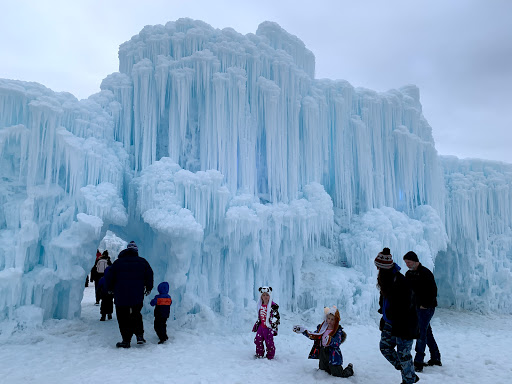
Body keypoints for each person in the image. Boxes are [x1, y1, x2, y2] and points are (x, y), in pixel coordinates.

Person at [375, 248, 420, 384]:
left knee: (403, 354)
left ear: (384, 268)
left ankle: (408, 379)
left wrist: (397, 318)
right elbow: (385, 301)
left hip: (404, 324)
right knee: (385, 348)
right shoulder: (386, 280)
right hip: (390, 322)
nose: (377, 270)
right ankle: (409, 373)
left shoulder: (400, 281)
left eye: (379, 267)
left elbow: (408, 306)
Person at [105, 241, 154, 348]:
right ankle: (139, 336)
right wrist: (149, 287)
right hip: (137, 294)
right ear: (136, 251)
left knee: (123, 317)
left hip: (121, 295)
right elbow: (149, 274)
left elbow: (109, 276)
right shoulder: (142, 262)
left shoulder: (118, 263)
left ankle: (126, 340)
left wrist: (109, 288)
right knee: (136, 314)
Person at [403, 251, 442, 371]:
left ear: (415, 261)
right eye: (406, 263)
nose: (407, 265)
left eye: (409, 262)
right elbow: (406, 291)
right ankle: (435, 357)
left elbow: (433, 291)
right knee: (426, 332)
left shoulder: (425, 273)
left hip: (426, 308)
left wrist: (425, 305)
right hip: (416, 308)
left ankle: (418, 362)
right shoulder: (408, 274)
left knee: (421, 333)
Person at [293, 306, 354, 378]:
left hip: (333, 354)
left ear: (336, 320)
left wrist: (330, 340)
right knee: (323, 370)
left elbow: (337, 343)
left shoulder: (338, 331)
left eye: (332, 319)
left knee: (337, 374)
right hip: (323, 352)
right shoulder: (322, 328)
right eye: (329, 318)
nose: (330, 321)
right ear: (326, 318)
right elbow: (314, 335)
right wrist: (303, 331)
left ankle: (349, 368)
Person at [252, 286, 280, 359]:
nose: (265, 297)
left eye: (267, 295)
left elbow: (276, 317)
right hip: (261, 327)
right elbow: (260, 316)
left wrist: (273, 324)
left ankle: (270, 356)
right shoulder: (259, 305)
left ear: (270, 296)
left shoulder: (273, 306)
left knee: (269, 342)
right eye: (263, 295)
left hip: (268, 328)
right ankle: (259, 354)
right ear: (261, 296)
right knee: (258, 340)